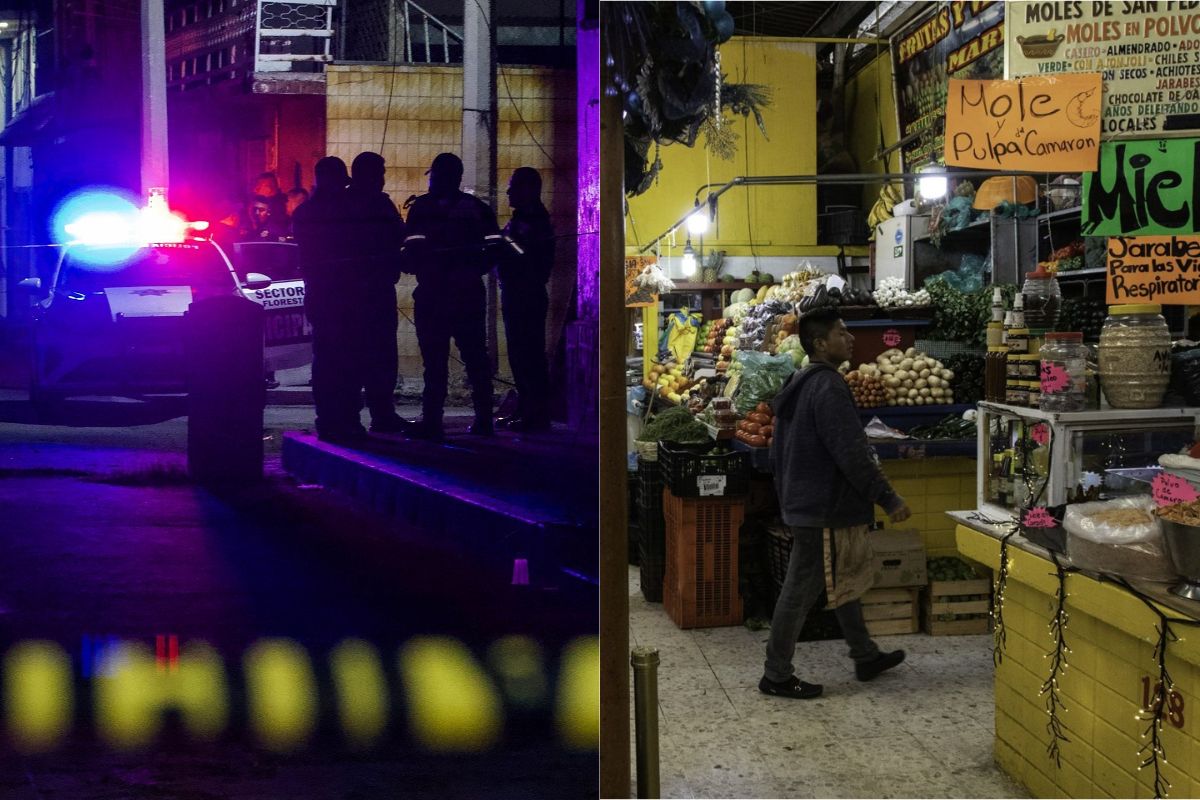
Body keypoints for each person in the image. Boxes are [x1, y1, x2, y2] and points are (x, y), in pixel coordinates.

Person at [761, 307, 912, 700]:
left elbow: (779, 450)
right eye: (842, 333)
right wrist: (888, 497)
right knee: (800, 587)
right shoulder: (827, 386)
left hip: (805, 499)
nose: (850, 339)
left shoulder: (801, 381)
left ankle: (864, 655)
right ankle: (776, 674)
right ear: (820, 343)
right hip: (820, 505)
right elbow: (851, 452)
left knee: (843, 576)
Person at [400, 152, 500, 441]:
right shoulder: (477, 208)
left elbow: (411, 249)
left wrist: (418, 266)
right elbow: (494, 248)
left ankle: (434, 422)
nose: (431, 180)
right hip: (464, 292)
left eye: (434, 175)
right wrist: (472, 269)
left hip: (436, 293)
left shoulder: (422, 208)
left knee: (437, 362)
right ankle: (482, 421)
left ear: (444, 176)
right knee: (473, 359)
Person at [291, 156, 363, 443]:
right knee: (343, 360)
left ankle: (331, 420)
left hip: (324, 293)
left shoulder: (306, 212)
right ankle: (345, 419)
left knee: (329, 359)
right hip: (341, 293)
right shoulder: (346, 211)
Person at [344, 151, 407, 434]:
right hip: (370, 292)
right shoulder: (377, 205)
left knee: (366, 355)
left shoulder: (343, 202)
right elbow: (399, 236)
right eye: (379, 173)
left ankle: (365, 416)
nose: (382, 179)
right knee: (376, 355)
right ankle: (379, 415)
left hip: (359, 293)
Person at [495, 167, 555, 432]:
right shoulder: (522, 220)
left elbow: (525, 257)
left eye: (513, 186)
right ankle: (526, 409)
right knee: (520, 356)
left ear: (529, 190)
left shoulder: (535, 222)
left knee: (529, 356)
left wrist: (504, 242)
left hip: (526, 295)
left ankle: (535, 415)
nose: (508, 192)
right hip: (516, 293)